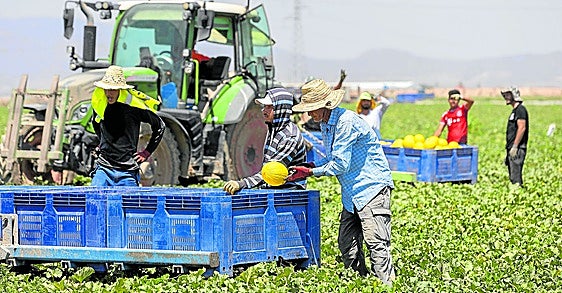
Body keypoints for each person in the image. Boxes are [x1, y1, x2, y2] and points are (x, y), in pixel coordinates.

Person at [287, 79, 395, 285]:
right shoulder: (326, 124)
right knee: (347, 243)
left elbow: (340, 165)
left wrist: (310, 173)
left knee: (376, 242)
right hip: (351, 193)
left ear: (324, 105)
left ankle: (386, 285)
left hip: (370, 188)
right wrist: (310, 165)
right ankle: (358, 283)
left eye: (311, 109)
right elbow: (332, 158)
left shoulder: (346, 122)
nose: (309, 115)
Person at [90, 65, 166, 186]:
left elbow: (160, 126)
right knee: (93, 201)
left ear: (120, 90)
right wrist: (103, 141)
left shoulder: (134, 108)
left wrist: (146, 152)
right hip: (104, 169)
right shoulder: (100, 105)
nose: (108, 93)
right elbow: (96, 123)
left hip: (127, 172)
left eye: (113, 89)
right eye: (106, 89)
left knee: (128, 204)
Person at [223, 87, 307, 194]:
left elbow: (272, 171)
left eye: (269, 107)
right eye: (264, 106)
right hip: (274, 189)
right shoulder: (274, 130)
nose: (264, 110)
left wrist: (242, 183)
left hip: (289, 192)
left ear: (280, 109)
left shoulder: (289, 137)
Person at [502, 86, 529, 186]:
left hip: (517, 148)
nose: (506, 97)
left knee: (515, 178)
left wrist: (515, 146)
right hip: (512, 148)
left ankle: (518, 194)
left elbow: (522, 128)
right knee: (512, 175)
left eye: (508, 95)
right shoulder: (514, 111)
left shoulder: (520, 110)